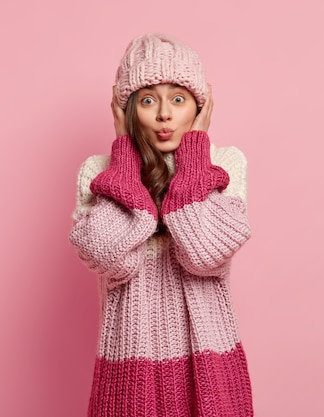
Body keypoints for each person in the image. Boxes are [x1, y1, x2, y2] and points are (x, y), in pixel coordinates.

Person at [69, 33, 253, 417]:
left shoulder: (225, 165)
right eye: (149, 100)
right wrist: (122, 158)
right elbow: (110, 259)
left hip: (211, 360)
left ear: (200, 108)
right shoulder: (98, 171)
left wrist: (195, 156)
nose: (164, 114)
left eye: (179, 98)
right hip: (128, 366)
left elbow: (205, 254)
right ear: (127, 109)